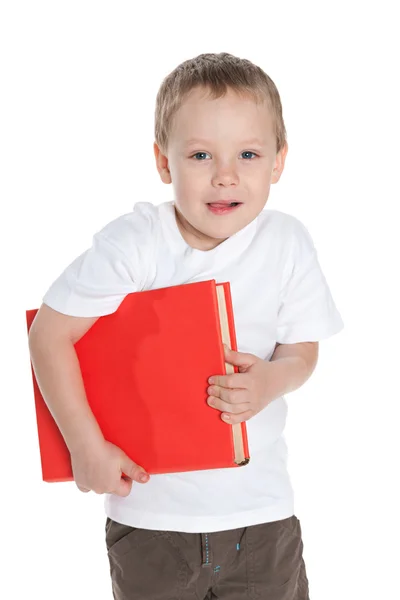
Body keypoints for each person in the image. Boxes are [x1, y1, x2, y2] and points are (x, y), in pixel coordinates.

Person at [28, 52, 344, 599]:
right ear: (163, 162)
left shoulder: (286, 242)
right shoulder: (138, 242)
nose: (225, 175)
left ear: (278, 161)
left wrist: (273, 378)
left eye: (248, 153)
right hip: (151, 523)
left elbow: (302, 351)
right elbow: (50, 335)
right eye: (200, 154)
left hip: (260, 519)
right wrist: (85, 446)